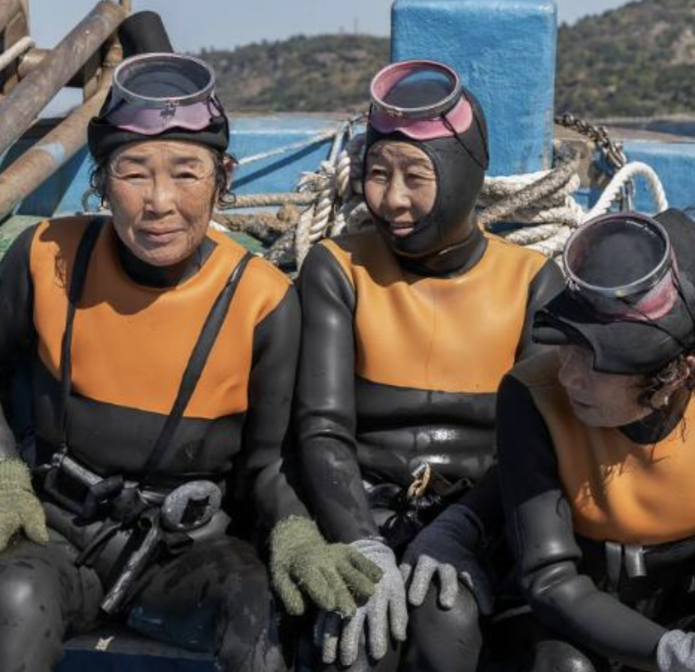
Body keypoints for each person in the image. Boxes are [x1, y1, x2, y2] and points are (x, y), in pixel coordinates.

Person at [0, 15, 380, 672]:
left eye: (186, 172)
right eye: (134, 172)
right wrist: (3, 474)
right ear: (100, 180)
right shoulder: (42, 257)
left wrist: (295, 533)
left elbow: (266, 464)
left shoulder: (262, 301)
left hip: (185, 552)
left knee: (264, 621)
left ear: (222, 180)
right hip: (50, 529)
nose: (159, 201)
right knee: (15, 595)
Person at [294, 59, 563, 671]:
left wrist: (462, 528)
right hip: (363, 510)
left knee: (449, 618)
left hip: (482, 517)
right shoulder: (338, 269)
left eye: (415, 176)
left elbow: (531, 446)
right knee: (355, 639)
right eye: (377, 174)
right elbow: (322, 428)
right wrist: (361, 542)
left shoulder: (530, 282)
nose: (392, 200)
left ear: (466, 172)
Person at [494, 209, 695, 672]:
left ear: (677, 373)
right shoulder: (530, 398)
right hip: (563, 622)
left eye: (596, 361)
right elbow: (550, 579)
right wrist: (682, 655)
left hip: (682, 602)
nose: (567, 374)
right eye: (565, 342)